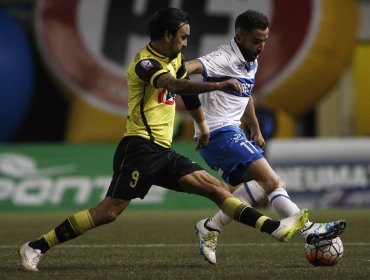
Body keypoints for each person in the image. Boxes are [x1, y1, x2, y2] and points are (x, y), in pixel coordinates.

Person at [19, 7, 311, 272]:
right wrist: (219, 83)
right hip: (139, 148)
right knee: (107, 213)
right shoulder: (145, 63)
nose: (185, 43)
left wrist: (202, 126)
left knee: (218, 188)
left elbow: (186, 92)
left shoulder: (176, 61)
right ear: (168, 35)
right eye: (182, 37)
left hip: (163, 151)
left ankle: (274, 228)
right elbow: (173, 83)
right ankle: (35, 246)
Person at [184, 9, 346, 265]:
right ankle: (310, 229)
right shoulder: (222, 57)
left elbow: (245, 94)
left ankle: (211, 226)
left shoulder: (251, 60)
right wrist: (172, 78)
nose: (261, 47)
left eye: (264, 41)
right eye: (256, 41)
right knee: (270, 180)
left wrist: (255, 129)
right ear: (239, 37)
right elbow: (186, 69)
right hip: (217, 134)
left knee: (269, 183)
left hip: (232, 133)